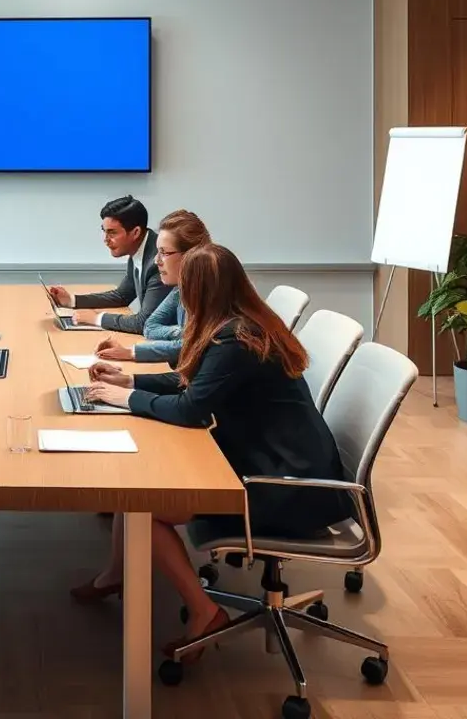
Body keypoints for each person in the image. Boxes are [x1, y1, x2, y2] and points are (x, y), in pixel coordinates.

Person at [72, 243, 351, 662]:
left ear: (199, 291)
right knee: (137, 489)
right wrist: (130, 383)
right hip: (286, 463)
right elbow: (197, 385)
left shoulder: (236, 339)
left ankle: (206, 611)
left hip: (287, 486)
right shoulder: (243, 324)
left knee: (143, 506)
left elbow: (190, 409)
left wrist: (122, 398)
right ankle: (117, 575)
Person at [93, 210, 210, 367]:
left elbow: (190, 347)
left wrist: (132, 352)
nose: (156, 261)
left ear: (191, 255)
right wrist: (182, 333)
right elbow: (150, 326)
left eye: (163, 253)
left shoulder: (212, 296)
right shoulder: (181, 289)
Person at [48, 195, 170, 332]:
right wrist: (71, 300)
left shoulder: (158, 261)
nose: (106, 240)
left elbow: (145, 322)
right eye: (104, 231)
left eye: (112, 233)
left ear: (135, 232)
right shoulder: (139, 248)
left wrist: (97, 319)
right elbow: (122, 296)